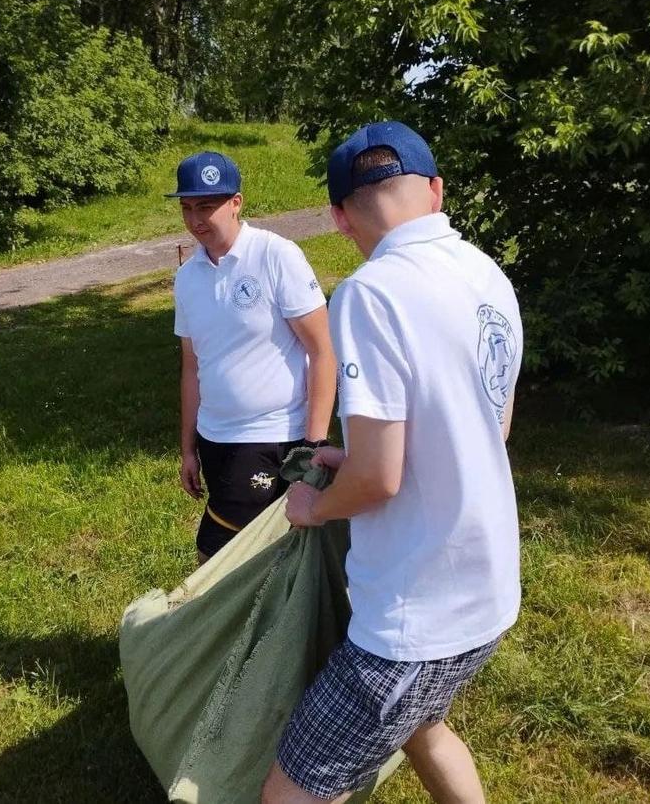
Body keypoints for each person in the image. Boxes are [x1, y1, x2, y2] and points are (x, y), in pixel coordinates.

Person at [262, 121, 523, 804]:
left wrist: (314, 503)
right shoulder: (486, 274)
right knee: (424, 727)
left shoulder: (370, 293)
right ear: (435, 190)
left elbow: (380, 475)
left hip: (415, 619)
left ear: (338, 216)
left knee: (291, 791)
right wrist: (348, 457)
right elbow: (486, 427)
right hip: (487, 590)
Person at [168, 151, 336, 564]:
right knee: (260, 553)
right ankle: (260, 625)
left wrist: (313, 445)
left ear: (237, 202)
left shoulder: (276, 256)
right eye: (187, 208)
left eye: (206, 206)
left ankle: (224, 626)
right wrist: (187, 448)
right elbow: (192, 368)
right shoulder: (187, 277)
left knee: (218, 552)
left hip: (273, 436)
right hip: (215, 438)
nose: (195, 220)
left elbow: (322, 351)